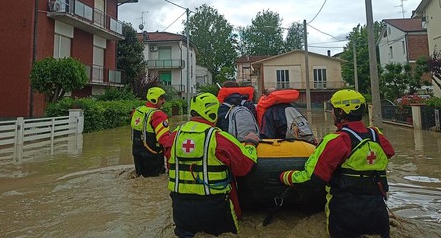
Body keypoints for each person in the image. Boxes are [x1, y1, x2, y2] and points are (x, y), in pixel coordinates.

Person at [278, 89, 395, 238]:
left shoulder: (336, 140)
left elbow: (312, 179)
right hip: (378, 214)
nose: (331, 112)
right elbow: (389, 153)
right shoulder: (376, 134)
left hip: (346, 215)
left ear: (340, 112)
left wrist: (285, 176)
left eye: (332, 109)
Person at [165, 92, 259, 237]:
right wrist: (251, 144)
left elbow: (170, 165)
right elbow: (244, 167)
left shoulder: (173, 137)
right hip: (213, 208)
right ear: (212, 114)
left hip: (181, 211)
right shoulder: (219, 138)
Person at [130, 87, 170, 177]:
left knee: (140, 177)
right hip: (153, 157)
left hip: (137, 153)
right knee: (155, 181)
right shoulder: (158, 115)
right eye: (161, 99)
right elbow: (164, 140)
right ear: (155, 99)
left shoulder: (137, 111)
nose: (164, 101)